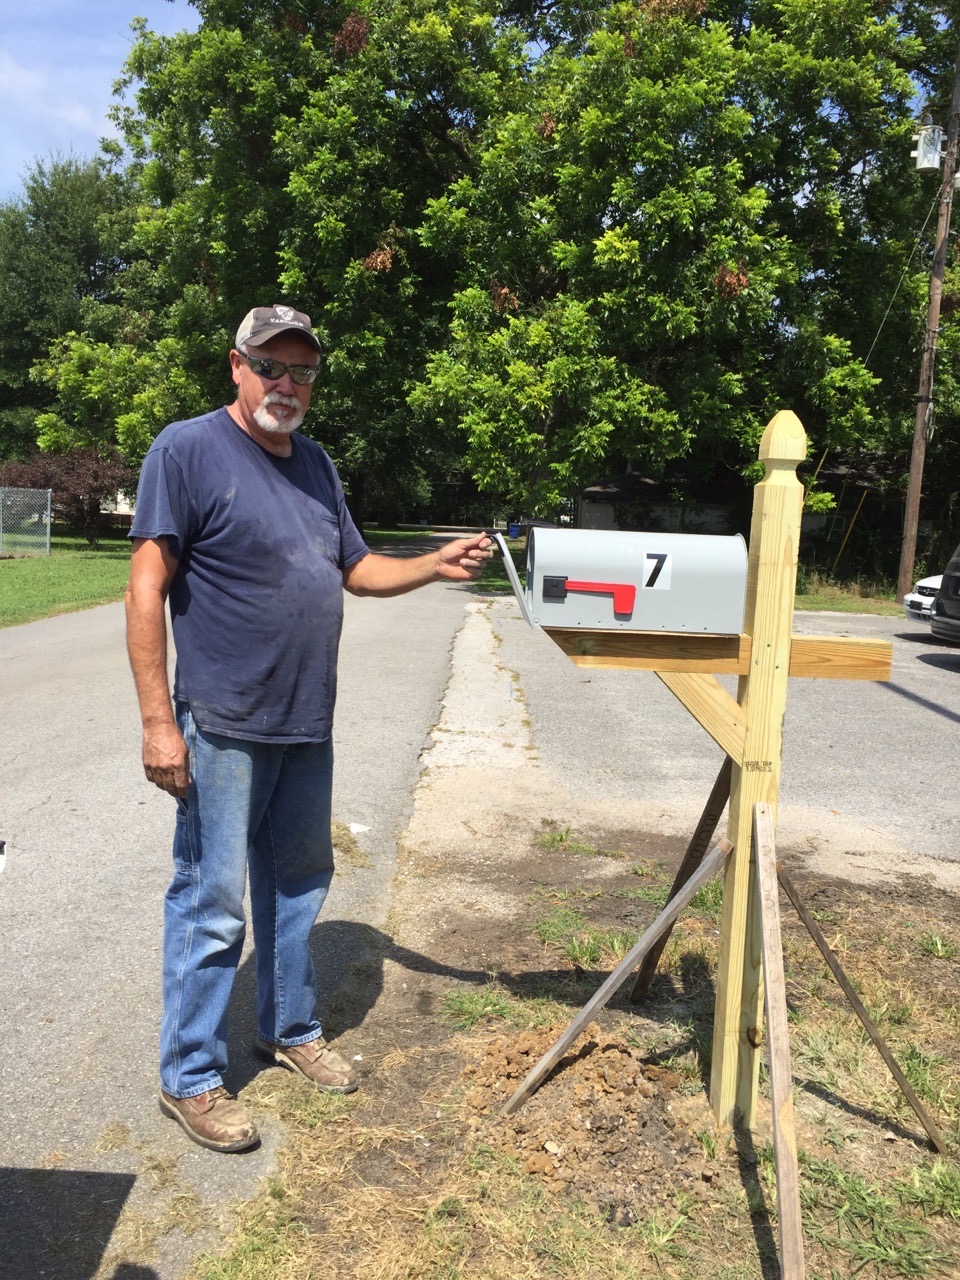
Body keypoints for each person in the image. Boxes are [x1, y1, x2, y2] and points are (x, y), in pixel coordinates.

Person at [125, 304, 492, 1153]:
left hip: (303, 722)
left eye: (303, 373)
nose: (287, 386)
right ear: (237, 365)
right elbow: (147, 586)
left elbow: (355, 569)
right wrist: (157, 722)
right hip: (219, 722)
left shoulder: (318, 466)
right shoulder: (186, 449)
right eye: (272, 367)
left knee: (298, 886)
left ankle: (287, 1031)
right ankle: (188, 1077)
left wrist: (434, 565)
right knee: (212, 903)